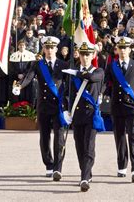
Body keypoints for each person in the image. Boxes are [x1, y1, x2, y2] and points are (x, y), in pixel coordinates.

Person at [13, 36, 69, 179]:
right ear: (43, 49)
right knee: (44, 137)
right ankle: (49, 164)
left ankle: (58, 167)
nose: (49, 50)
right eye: (47, 47)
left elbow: (70, 83)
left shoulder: (64, 65)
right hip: (44, 106)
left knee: (59, 138)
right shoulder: (38, 64)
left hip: (58, 106)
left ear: (56, 49)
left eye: (52, 47)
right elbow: (28, 77)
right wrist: (20, 86)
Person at [105, 36, 134, 182]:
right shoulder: (112, 66)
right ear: (117, 49)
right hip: (117, 106)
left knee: (133, 137)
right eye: (120, 48)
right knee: (119, 138)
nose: (123, 51)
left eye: (125, 48)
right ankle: (122, 166)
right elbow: (107, 84)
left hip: (132, 107)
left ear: (130, 49)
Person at [66, 42, 105, 192]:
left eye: (88, 54)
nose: (85, 57)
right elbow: (67, 93)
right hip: (77, 115)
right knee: (79, 146)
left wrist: (76, 73)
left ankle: (84, 177)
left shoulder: (98, 70)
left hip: (91, 115)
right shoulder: (73, 72)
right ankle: (86, 172)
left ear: (93, 55)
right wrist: (66, 110)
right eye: (82, 54)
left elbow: (93, 78)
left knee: (89, 146)